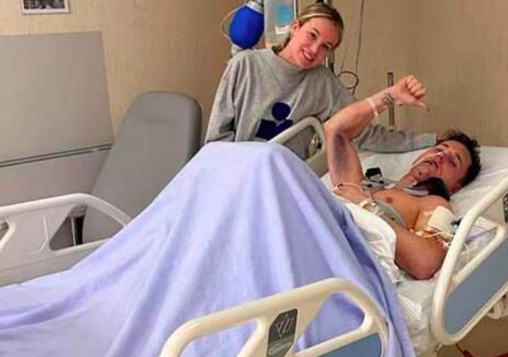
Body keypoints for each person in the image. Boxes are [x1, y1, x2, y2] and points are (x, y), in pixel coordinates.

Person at [205, 2, 437, 154]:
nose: (315, 50)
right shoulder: (245, 65)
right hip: (238, 174)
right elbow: (217, 139)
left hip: (285, 182)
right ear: (295, 27)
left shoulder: (323, 84)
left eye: (326, 46)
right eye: (312, 35)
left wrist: (431, 141)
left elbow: (363, 133)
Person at [325, 75, 481, 280]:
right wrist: (390, 96)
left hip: (339, 258)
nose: (441, 156)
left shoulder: (434, 204)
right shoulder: (367, 186)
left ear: (455, 188)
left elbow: (425, 262)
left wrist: (368, 208)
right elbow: (335, 129)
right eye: (439, 149)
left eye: (452, 161)